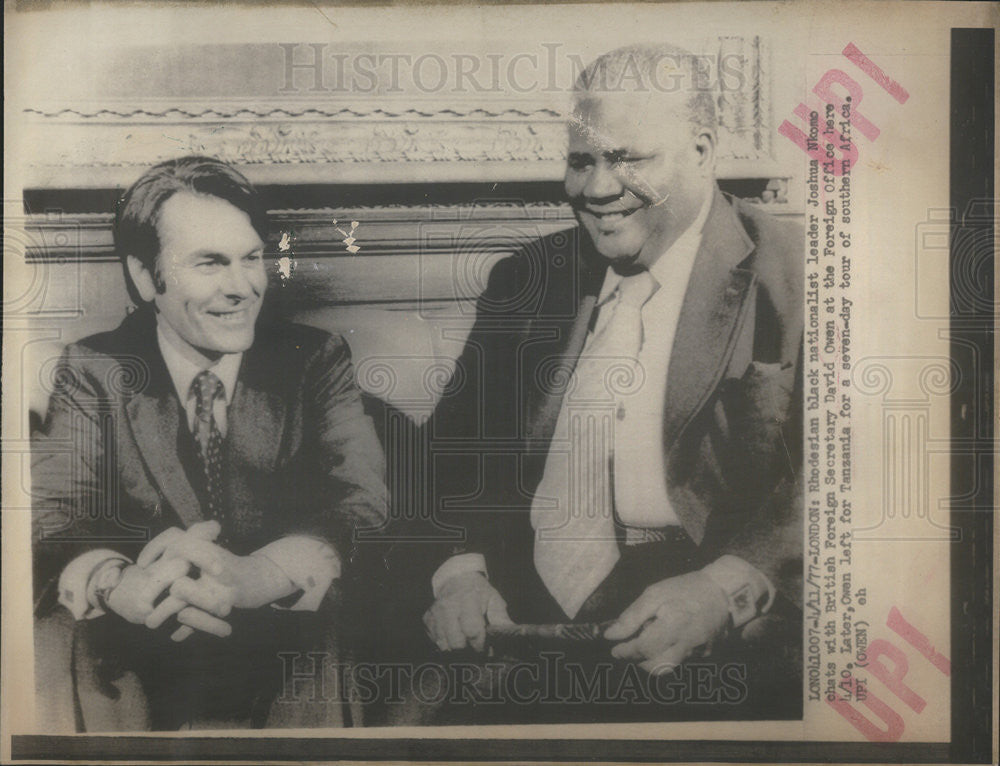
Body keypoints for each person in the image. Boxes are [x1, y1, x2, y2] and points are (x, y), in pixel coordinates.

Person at [409, 44, 803, 722]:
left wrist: (725, 589)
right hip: (518, 631)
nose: (595, 189)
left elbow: (852, 481)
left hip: (709, 633)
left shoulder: (797, 274)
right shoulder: (529, 278)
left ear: (703, 152)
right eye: (582, 159)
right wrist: (460, 570)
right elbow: (449, 453)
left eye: (628, 158)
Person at [31, 156, 388, 730]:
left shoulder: (313, 359)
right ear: (147, 277)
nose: (242, 287)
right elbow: (49, 513)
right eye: (210, 264)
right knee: (64, 634)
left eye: (252, 259)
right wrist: (120, 583)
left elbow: (360, 500)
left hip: (284, 647)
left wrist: (261, 575)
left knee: (330, 622)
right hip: (141, 657)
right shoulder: (96, 368)